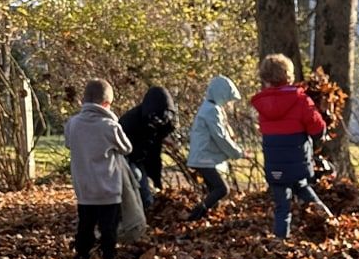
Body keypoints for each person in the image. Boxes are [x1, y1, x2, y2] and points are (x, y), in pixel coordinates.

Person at [249, 54, 332, 239]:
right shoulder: (300, 100)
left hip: (275, 164)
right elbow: (316, 127)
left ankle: (281, 240)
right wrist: (321, 134)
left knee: (282, 205)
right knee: (302, 186)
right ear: (289, 75)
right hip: (297, 161)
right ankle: (327, 217)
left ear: (265, 78)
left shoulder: (263, 104)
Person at [64, 78, 133, 259]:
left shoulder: (73, 124)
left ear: (83, 101)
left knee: (85, 224)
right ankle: (108, 254)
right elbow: (127, 148)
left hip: (84, 188)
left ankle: (82, 253)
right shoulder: (110, 126)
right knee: (108, 226)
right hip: (108, 188)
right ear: (106, 104)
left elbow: (69, 143)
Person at [187, 76, 244, 220]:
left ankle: (204, 217)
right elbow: (221, 137)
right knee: (222, 189)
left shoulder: (210, 108)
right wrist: (237, 153)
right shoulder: (211, 111)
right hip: (204, 158)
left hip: (203, 157)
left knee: (213, 190)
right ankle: (195, 215)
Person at [119, 86, 177, 211]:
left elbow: (154, 151)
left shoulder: (164, 121)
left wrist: (157, 180)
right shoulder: (130, 121)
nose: (159, 122)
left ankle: (145, 211)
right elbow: (122, 147)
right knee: (138, 179)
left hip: (144, 157)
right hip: (127, 156)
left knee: (146, 189)